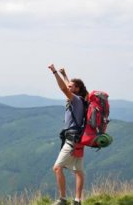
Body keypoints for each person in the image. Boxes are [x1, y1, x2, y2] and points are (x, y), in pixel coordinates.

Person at [48, 64, 88, 205]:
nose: (69, 87)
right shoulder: (81, 100)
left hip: (71, 140)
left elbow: (64, 89)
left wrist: (54, 72)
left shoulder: (75, 100)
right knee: (78, 171)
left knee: (57, 168)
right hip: (78, 139)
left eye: (72, 86)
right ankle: (77, 201)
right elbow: (68, 86)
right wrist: (65, 75)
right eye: (70, 85)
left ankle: (63, 199)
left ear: (77, 89)